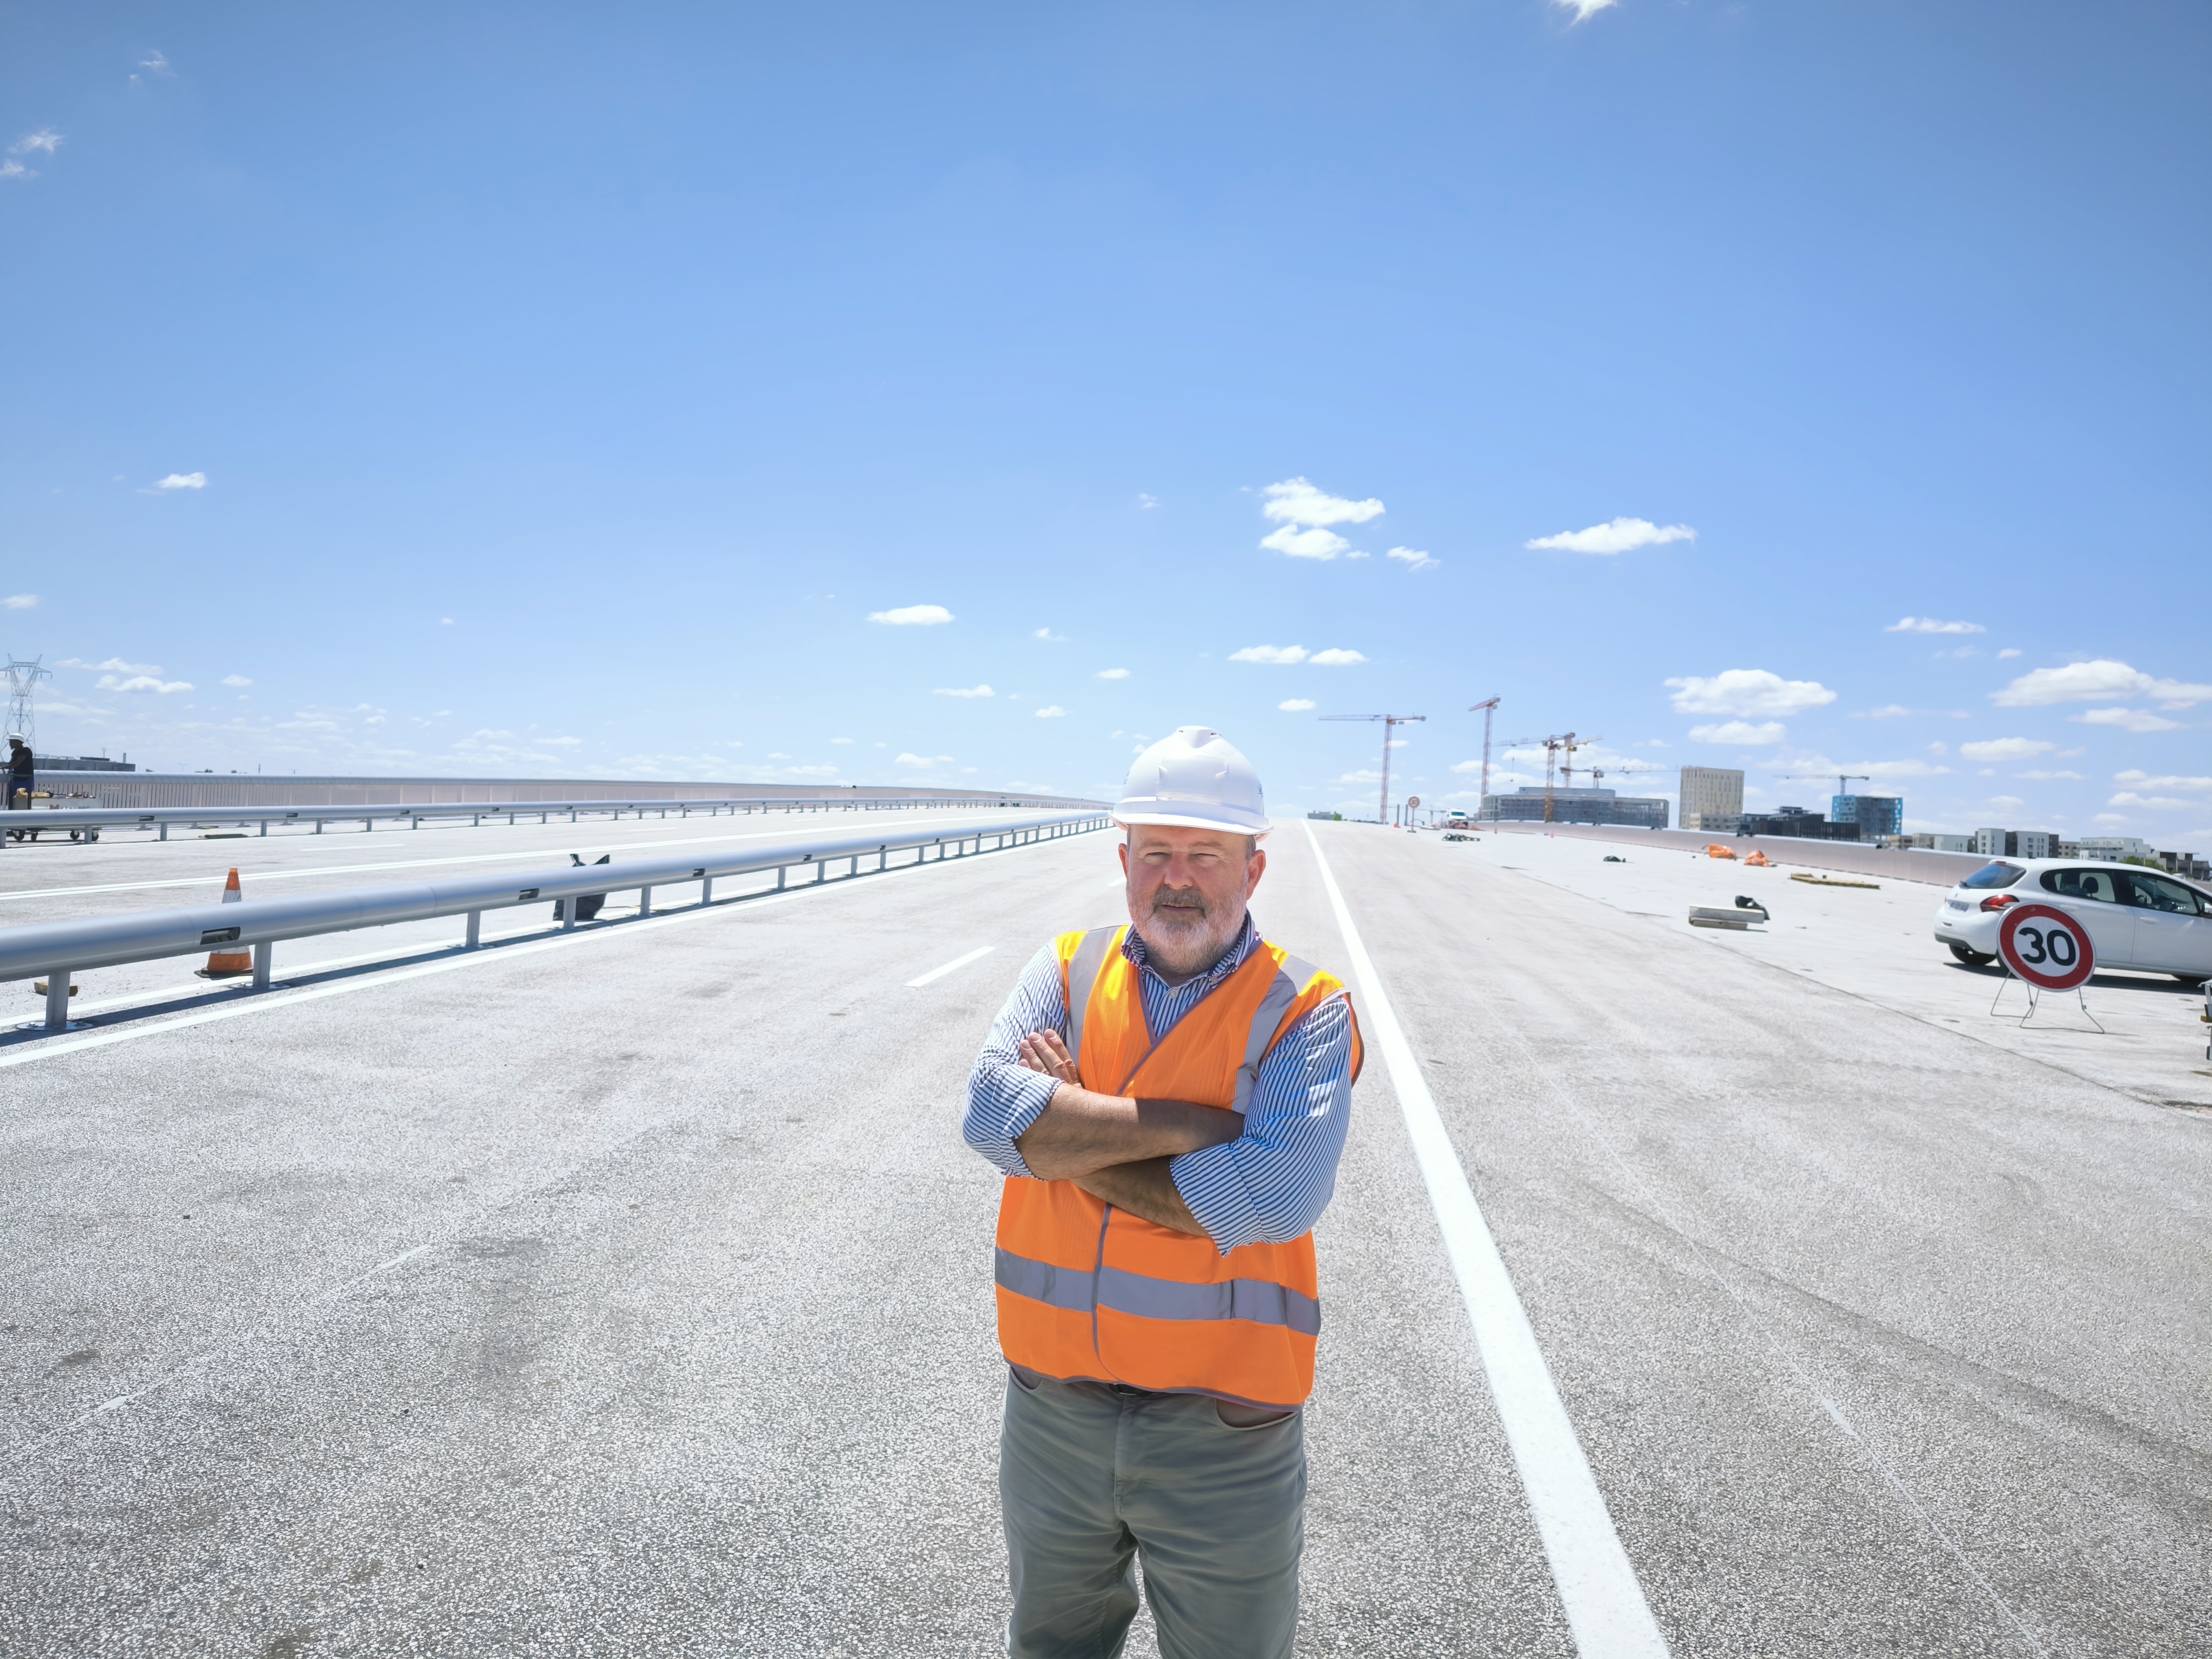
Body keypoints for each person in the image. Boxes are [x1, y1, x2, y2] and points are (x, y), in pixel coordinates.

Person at [963, 725, 1363, 1659]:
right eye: (1157, 853)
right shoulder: (1065, 964)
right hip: (1052, 1410)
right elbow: (989, 1117)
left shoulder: (1306, 1007)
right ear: (1124, 861)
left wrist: (1061, 1135)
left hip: (1224, 1433)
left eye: (1205, 854)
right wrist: (1194, 1124)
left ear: (1252, 871)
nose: (1176, 877)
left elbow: (1270, 1200)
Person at [6, 734, 31, 813]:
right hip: (16, 780)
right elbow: (11, 764)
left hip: (26, 780)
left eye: (11, 742)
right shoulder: (15, 752)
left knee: (24, 801)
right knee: (14, 801)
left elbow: (15, 764)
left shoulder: (26, 751)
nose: (10, 744)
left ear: (18, 742)